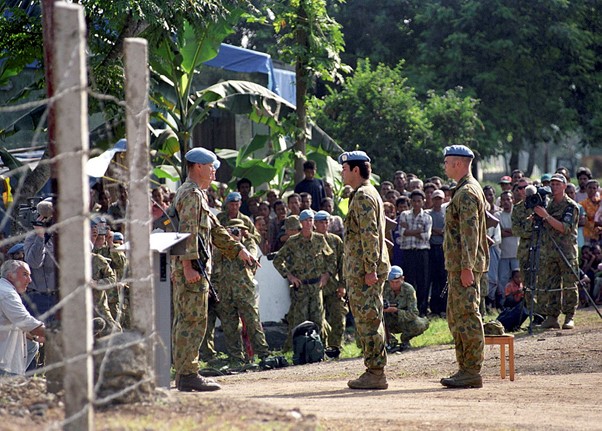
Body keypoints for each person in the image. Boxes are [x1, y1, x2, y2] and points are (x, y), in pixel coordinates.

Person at [171, 147, 257, 392]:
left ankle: (186, 372)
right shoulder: (191, 194)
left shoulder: (196, 194)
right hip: (192, 270)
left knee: (193, 320)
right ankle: (188, 374)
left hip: (195, 269)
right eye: (211, 168)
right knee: (191, 321)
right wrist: (188, 266)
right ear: (197, 167)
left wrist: (240, 249)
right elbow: (187, 232)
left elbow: (216, 229)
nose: (213, 174)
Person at [339, 150, 390, 390]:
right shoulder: (366, 193)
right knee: (369, 318)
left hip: (364, 272)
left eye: (344, 168)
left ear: (355, 170)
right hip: (363, 270)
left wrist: (370, 269)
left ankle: (376, 372)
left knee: (369, 319)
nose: (342, 172)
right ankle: (374, 369)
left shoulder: (362, 196)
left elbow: (369, 235)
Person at [440, 145, 488, 389]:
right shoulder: (464, 190)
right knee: (457, 316)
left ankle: (471, 369)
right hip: (459, 265)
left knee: (467, 315)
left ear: (458, 164)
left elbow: (470, 234)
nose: (445, 166)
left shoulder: (467, 192)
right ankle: (465, 368)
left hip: (464, 266)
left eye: (447, 162)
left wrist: (467, 267)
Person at [273, 210, 334, 345]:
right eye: (306, 220)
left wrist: (326, 275)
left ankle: (321, 349)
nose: (309, 223)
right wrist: (289, 276)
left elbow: (331, 258)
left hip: (316, 286)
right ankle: (300, 350)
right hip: (301, 288)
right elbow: (277, 260)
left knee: (318, 319)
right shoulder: (292, 242)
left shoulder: (319, 239)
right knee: (300, 321)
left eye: (311, 220)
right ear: (301, 223)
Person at [533, 174, 580, 330]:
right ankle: (552, 316)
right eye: (552, 184)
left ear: (564, 186)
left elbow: (564, 228)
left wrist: (545, 216)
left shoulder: (570, 206)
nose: (554, 186)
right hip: (550, 252)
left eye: (557, 184)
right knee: (552, 285)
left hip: (566, 252)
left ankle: (569, 316)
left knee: (569, 285)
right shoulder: (548, 204)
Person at [0, 260, 46, 376]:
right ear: (11, 275)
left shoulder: (4, 289)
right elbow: (26, 322)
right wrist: (57, 333)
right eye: (25, 274)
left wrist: (33, 335)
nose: (30, 280)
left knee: (31, 345)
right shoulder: (7, 294)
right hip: (3, 363)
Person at [313, 210, 347, 356]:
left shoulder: (335, 240)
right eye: (320, 222)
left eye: (326, 222)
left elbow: (342, 264)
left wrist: (343, 285)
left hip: (334, 286)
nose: (324, 225)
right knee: (318, 320)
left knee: (338, 317)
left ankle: (335, 347)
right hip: (316, 287)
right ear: (315, 224)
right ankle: (321, 348)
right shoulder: (310, 240)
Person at [397, 189, 432, 316]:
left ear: (423, 202)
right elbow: (402, 233)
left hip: (422, 253)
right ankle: (410, 309)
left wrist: (409, 231)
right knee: (409, 281)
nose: (416, 203)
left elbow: (426, 236)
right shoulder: (404, 215)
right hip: (408, 252)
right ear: (411, 202)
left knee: (423, 281)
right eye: (414, 201)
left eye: (419, 201)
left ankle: (422, 310)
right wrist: (417, 231)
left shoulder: (427, 217)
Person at [23, 199, 58, 324]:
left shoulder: (60, 238)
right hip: (37, 298)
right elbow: (34, 263)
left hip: (58, 297)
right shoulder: (32, 238)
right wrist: (40, 237)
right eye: (44, 217)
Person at [383, 266, 429, 351]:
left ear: (403, 279)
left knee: (419, 324)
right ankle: (389, 342)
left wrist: (396, 311)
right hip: (387, 320)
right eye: (391, 282)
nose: (394, 285)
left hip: (403, 321)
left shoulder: (408, 290)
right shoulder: (384, 288)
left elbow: (414, 313)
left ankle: (405, 339)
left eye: (397, 282)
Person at [427, 189, 447, 317]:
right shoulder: (428, 214)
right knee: (433, 279)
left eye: (440, 199)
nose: (437, 201)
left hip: (443, 248)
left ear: (443, 200)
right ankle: (434, 308)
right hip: (431, 248)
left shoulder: (446, 215)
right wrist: (438, 231)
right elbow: (427, 230)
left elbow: (447, 231)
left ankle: (444, 307)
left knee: (443, 279)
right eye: (435, 199)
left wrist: (435, 231)